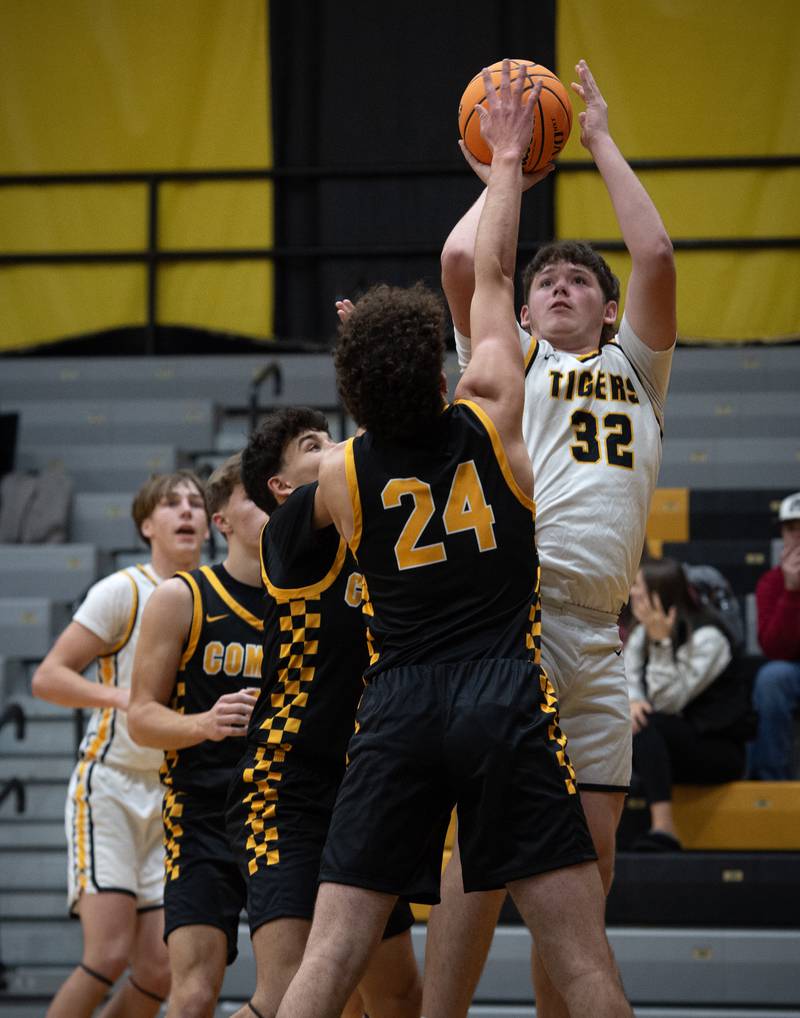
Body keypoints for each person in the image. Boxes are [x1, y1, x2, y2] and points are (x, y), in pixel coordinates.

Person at [276, 63, 631, 1018]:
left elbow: (284, 555)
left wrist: (360, 375)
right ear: (443, 369)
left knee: (331, 955)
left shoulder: (342, 471)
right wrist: (507, 163)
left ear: (354, 390)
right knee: (585, 960)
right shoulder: (491, 413)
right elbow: (493, 278)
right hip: (503, 693)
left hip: (396, 707)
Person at [409, 57, 676, 1018]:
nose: (560, 286)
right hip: (511, 619)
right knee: (484, 861)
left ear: (606, 311)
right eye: (545, 280)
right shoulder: (510, 357)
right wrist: (504, 171)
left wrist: (598, 137)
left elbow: (657, 257)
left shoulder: (640, 371)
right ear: (521, 312)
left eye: (577, 281)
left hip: (598, 638)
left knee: (583, 875)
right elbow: (455, 264)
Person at [224, 407, 421, 1018]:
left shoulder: (378, 535)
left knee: (397, 996)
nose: (334, 448)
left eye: (332, 437)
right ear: (282, 488)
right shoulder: (286, 532)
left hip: (364, 788)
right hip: (286, 788)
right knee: (289, 995)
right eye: (315, 445)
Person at [31, 471, 209, 1018]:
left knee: (158, 972)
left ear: (212, 522)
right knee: (107, 956)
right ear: (145, 524)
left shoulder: (214, 594)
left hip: (170, 795)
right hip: (109, 786)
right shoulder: (122, 590)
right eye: (171, 503)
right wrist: (123, 699)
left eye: (197, 503)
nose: (186, 511)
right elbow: (48, 677)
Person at [127, 454, 267, 1017]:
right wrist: (204, 724)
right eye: (254, 497)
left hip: (286, 811)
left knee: (307, 988)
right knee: (193, 994)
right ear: (222, 520)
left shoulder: (313, 600)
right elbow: (140, 716)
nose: (273, 507)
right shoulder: (182, 598)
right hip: (202, 814)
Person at [625, 558, 751, 850]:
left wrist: (660, 646)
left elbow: (668, 701)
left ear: (660, 594)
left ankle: (664, 828)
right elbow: (628, 679)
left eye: (639, 587)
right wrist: (633, 701)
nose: (632, 593)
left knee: (646, 724)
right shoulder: (643, 632)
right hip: (671, 744)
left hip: (719, 749)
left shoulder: (710, 637)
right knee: (630, 721)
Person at [748, 491, 800, 780]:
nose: (799, 537)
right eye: (793, 529)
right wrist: (792, 592)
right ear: (783, 533)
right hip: (792, 669)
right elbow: (773, 648)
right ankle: (772, 781)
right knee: (772, 678)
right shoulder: (772, 582)